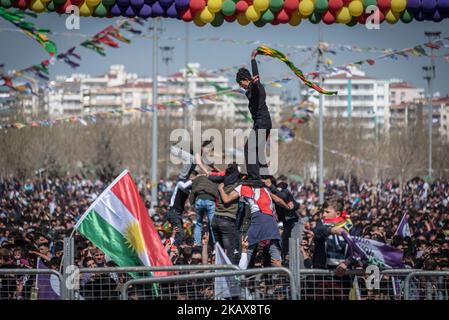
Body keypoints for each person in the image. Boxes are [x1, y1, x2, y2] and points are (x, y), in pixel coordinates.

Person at [217, 176, 289, 268]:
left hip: (258, 219)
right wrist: (288, 207)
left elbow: (226, 199)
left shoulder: (243, 186)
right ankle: (278, 278)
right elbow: (278, 200)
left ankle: (241, 277)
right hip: (271, 221)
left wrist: (220, 189)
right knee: (274, 250)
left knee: (247, 249)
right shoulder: (264, 186)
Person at [236, 50, 272, 181]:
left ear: (246, 80)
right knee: (258, 150)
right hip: (264, 122)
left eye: (241, 84)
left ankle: (254, 177)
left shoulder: (255, 86)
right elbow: (252, 87)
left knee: (248, 148)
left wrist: (253, 58)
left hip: (262, 122)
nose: (242, 87)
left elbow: (255, 79)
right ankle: (265, 176)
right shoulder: (252, 88)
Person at [189, 173, 219, 247]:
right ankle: (216, 246)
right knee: (212, 224)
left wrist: (191, 203)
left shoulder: (198, 179)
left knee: (198, 223)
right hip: (210, 201)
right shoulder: (214, 179)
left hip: (199, 200)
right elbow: (218, 193)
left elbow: (193, 191)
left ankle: (197, 244)